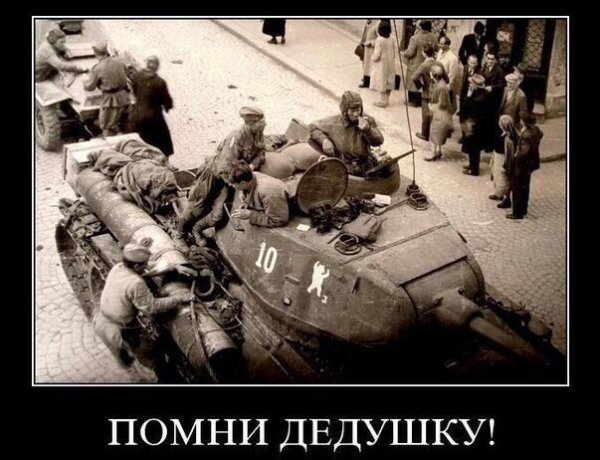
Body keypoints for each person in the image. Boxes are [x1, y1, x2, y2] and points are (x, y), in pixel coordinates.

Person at [92, 242, 194, 380]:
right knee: (154, 360)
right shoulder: (136, 283)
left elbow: (148, 268)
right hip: (121, 330)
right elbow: (152, 307)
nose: (146, 265)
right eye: (144, 264)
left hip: (102, 320)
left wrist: (173, 266)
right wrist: (179, 298)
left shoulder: (119, 267)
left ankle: (126, 359)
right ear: (135, 266)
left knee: (125, 352)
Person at [177, 106, 267, 243]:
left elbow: (261, 153)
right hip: (214, 174)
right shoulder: (235, 138)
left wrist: (250, 167)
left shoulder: (257, 133)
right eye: (260, 121)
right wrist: (237, 182)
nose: (264, 123)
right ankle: (179, 235)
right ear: (250, 123)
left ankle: (197, 229)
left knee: (219, 214)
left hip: (234, 177)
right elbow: (223, 167)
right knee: (197, 207)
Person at [309, 91, 384, 176]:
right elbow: (312, 127)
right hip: (344, 169)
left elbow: (379, 141)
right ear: (345, 111)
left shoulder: (367, 120)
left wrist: (368, 130)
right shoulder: (334, 122)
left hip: (365, 166)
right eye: (352, 111)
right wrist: (324, 140)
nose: (356, 114)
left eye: (358, 110)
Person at [128, 55, 175, 157]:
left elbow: (135, 91)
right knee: (162, 143)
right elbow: (166, 100)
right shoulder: (159, 82)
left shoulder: (137, 77)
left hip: (137, 114)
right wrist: (168, 106)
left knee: (138, 141)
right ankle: (162, 160)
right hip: (154, 116)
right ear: (156, 66)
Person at [84, 42, 131, 137]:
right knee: (123, 125)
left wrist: (86, 81)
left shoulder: (97, 68)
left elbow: (89, 87)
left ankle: (110, 143)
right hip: (125, 98)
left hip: (111, 101)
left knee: (107, 127)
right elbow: (126, 72)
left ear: (95, 53)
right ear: (106, 51)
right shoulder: (119, 61)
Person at [504, 113, 543, 219]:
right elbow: (540, 135)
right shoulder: (536, 130)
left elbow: (524, 152)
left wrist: (516, 155)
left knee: (518, 188)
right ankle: (523, 209)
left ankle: (517, 213)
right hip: (530, 164)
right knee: (525, 187)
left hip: (522, 165)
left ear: (524, 121)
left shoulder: (526, 134)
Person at [229, 161, 290, 228]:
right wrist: (246, 202)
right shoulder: (251, 176)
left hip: (289, 203)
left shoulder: (268, 193)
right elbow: (249, 192)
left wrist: (250, 215)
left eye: (232, 183)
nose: (230, 185)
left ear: (243, 183)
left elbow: (278, 220)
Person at [412, 45, 446, 141]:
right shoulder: (439, 64)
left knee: (426, 114)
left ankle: (425, 134)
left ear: (424, 53)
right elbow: (446, 79)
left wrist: (421, 86)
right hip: (438, 92)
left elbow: (414, 77)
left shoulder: (424, 65)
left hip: (427, 93)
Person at [460, 74, 491, 176]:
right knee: (472, 148)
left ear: (475, 86)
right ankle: (472, 165)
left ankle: (474, 170)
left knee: (474, 149)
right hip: (476, 125)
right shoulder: (482, 93)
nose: (469, 84)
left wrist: (469, 95)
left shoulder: (479, 98)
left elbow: (466, 105)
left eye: (471, 83)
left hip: (476, 127)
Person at [403, 20, 437, 107]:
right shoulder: (433, 37)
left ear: (421, 27)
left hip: (415, 63)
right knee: (425, 81)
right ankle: (421, 100)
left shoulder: (415, 38)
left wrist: (405, 53)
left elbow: (410, 52)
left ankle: (412, 101)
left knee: (412, 81)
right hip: (428, 62)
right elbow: (436, 49)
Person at [425, 64, 454, 161]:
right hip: (441, 114)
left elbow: (442, 103)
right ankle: (438, 151)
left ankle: (433, 153)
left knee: (435, 134)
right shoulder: (440, 83)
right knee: (438, 134)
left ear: (434, 75)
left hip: (440, 114)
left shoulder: (441, 87)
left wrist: (431, 107)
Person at [481, 52, 505, 151]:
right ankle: (482, 143)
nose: (490, 61)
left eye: (492, 59)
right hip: (483, 99)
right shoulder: (483, 68)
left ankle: (489, 146)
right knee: (483, 121)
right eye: (488, 58)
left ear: (495, 60)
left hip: (493, 101)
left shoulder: (499, 71)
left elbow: (501, 85)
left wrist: (492, 87)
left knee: (490, 123)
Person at [492, 115, 518, 208]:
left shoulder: (508, 138)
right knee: (497, 176)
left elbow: (508, 153)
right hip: (498, 156)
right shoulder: (506, 134)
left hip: (502, 158)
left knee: (503, 178)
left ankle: (506, 199)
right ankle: (499, 194)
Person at [370, 20, 396, 108]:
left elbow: (377, 54)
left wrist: (373, 58)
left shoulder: (379, 40)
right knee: (389, 81)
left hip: (382, 64)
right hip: (390, 62)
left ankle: (382, 101)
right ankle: (387, 100)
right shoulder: (392, 38)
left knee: (381, 81)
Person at [436, 35, 462, 114]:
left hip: (446, 85)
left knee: (446, 109)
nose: (440, 45)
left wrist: (448, 88)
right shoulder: (440, 52)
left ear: (447, 45)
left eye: (442, 44)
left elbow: (452, 75)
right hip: (438, 83)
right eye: (439, 43)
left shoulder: (452, 58)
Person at [459, 54, 480, 141]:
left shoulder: (479, 71)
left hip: (472, 99)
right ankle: (463, 135)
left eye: (474, 63)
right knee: (462, 117)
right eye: (471, 63)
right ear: (468, 62)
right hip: (463, 97)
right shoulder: (465, 68)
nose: (473, 65)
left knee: (468, 117)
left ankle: (467, 136)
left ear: (477, 63)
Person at [358, 19, 380, 88]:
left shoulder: (377, 23)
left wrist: (371, 43)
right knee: (365, 64)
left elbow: (380, 39)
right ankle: (366, 80)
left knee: (369, 66)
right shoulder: (368, 22)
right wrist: (361, 42)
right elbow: (365, 34)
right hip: (365, 46)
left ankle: (367, 82)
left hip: (371, 49)